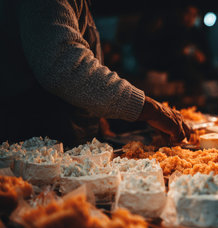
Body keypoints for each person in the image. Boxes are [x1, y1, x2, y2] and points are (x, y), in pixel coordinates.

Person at [0, 0, 191, 146]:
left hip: (66, 134)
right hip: (35, 140)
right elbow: (66, 66)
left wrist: (97, 113)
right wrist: (150, 109)